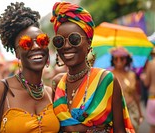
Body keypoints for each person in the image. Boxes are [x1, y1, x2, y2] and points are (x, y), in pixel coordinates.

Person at [0, 2, 60, 133]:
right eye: (26, 43)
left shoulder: (52, 93)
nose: (36, 47)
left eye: (42, 40)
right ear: (17, 52)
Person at [50, 2, 135, 133]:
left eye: (74, 39)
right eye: (59, 41)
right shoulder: (57, 84)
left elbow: (119, 130)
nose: (66, 46)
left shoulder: (106, 80)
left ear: (89, 42)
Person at [109, 46, 143, 131]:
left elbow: (135, 95)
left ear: (127, 60)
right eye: (116, 59)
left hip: (132, 110)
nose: (119, 61)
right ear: (112, 60)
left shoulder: (132, 75)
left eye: (122, 58)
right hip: (116, 111)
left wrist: (140, 113)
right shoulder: (109, 75)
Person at [142, 47, 155, 133]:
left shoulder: (151, 64)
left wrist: (143, 78)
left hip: (153, 98)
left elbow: (146, 83)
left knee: (153, 128)